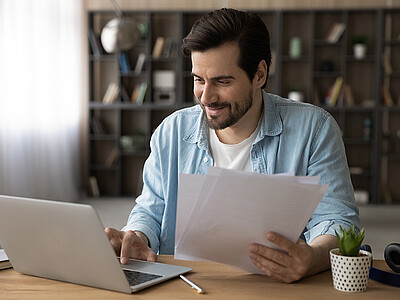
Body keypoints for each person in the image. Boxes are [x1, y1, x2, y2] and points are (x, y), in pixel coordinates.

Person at [105, 8, 360, 283]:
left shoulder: (315, 129)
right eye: (198, 80)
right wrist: (136, 235)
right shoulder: (171, 131)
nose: (206, 97)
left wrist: (313, 257)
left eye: (222, 81)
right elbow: (150, 209)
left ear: (259, 74)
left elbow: (338, 221)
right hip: (185, 285)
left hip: (275, 287)